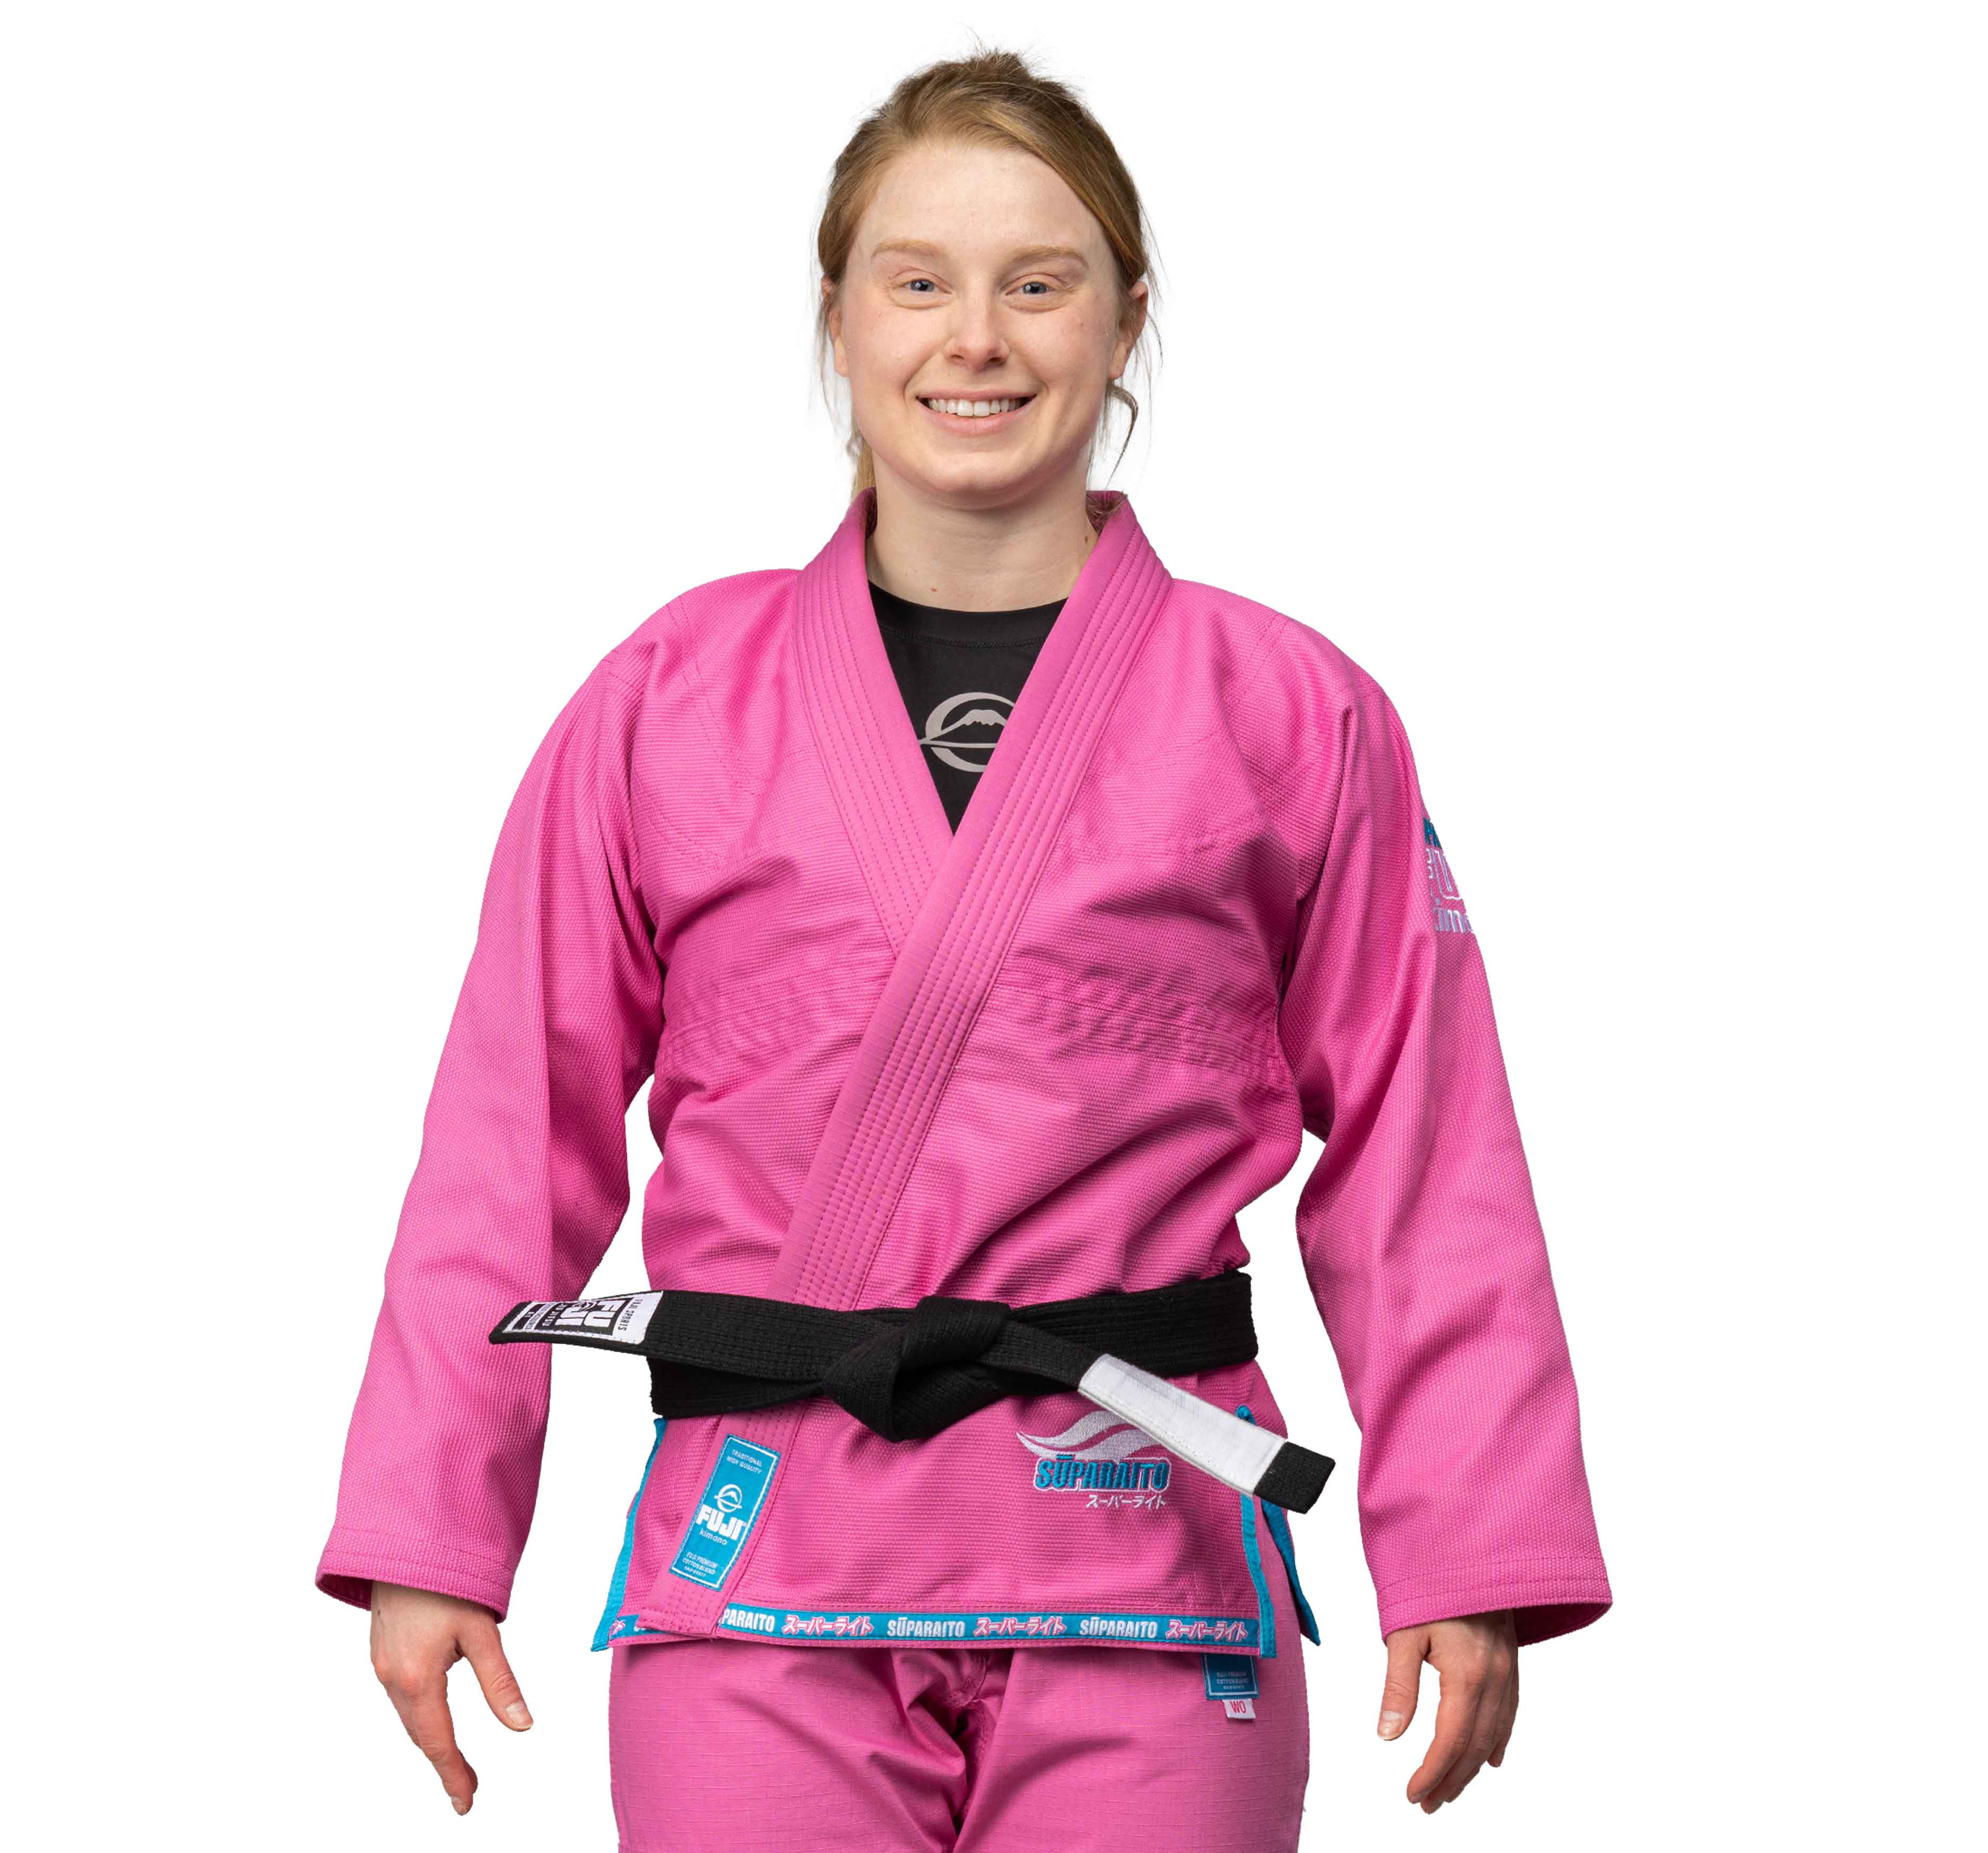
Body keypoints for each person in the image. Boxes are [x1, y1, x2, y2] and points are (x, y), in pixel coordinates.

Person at [316, 48, 1610, 1850]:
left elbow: (1426, 1148)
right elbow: (500, 1135)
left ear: (1125, 317)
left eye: (1040, 279)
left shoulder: (1289, 710)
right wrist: (428, 1527)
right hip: (758, 1551)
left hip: (1143, 1563)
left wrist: (1470, 1542)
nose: (974, 337)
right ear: (839, 319)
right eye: (915, 278)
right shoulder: (668, 704)